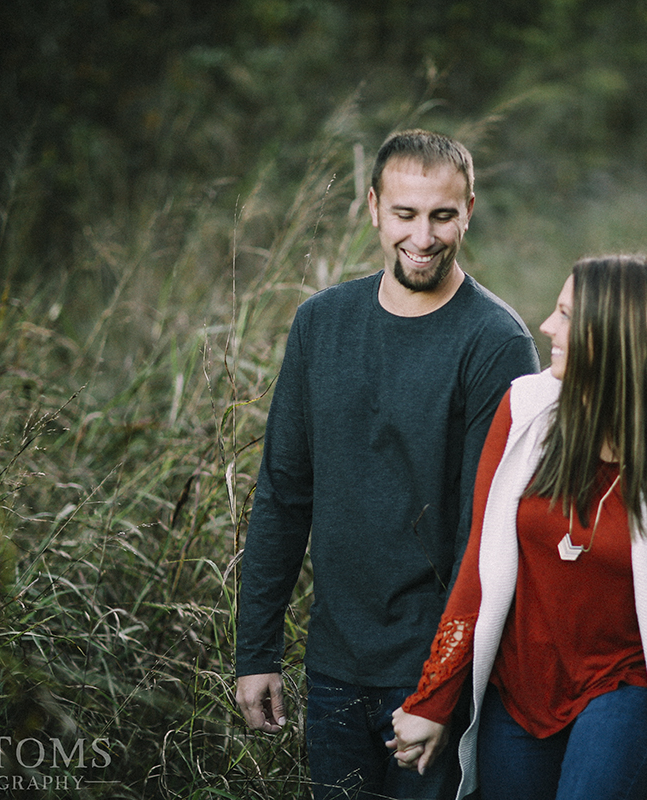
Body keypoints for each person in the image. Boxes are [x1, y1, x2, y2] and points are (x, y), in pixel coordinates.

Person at [386, 254, 647, 800]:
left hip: (625, 688)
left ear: (614, 337)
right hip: (520, 689)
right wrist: (433, 700)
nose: (547, 327)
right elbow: (480, 568)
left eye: (566, 315)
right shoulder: (526, 413)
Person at [235, 129, 540, 800]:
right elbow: (284, 495)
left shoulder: (495, 344)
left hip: (432, 672)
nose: (423, 237)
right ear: (373, 206)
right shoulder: (321, 324)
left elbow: (485, 536)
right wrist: (257, 652)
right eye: (406, 214)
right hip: (335, 665)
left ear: (468, 211)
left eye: (442, 215)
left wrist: (438, 691)